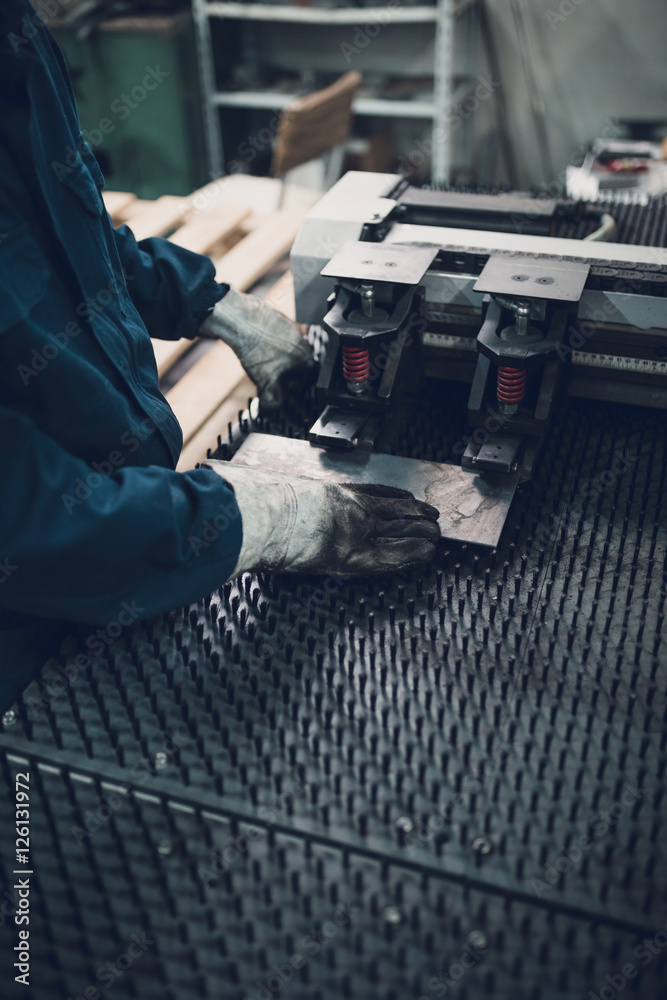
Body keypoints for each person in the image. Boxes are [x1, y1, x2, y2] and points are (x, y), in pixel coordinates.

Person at [0, 0, 440, 713]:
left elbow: (57, 245)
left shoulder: (16, 36)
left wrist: (213, 305)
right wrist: (263, 520)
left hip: (132, 544)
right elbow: (25, 523)